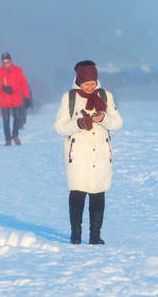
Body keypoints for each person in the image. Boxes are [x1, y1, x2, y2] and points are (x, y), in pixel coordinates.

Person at [54, 60, 123, 245]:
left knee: (98, 194)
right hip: (78, 154)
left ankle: (95, 235)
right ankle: (75, 234)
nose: (90, 87)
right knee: (77, 193)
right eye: (86, 83)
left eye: (93, 83)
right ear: (78, 81)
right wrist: (78, 124)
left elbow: (117, 123)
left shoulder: (105, 96)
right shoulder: (68, 98)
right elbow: (59, 127)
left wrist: (103, 118)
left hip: (100, 152)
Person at [0, 53, 31, 146]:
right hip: (4, 99)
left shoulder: (18, 70)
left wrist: (27, 97)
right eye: (4, 62)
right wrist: (3, 88)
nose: (6, 64)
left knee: (17, 118)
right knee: (6, 120)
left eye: (7, 62)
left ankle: (15, 135)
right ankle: (8, 139)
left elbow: (24, 84)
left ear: (11, 61)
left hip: (16, 98)